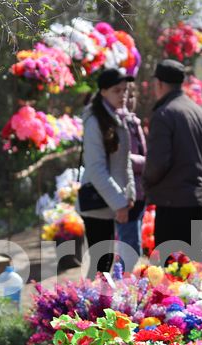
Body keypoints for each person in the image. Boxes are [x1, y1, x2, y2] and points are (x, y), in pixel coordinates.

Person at [143, 59, 202, 251]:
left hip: (171, 204)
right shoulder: (199, 113)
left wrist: (146, 184)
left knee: (169, 274)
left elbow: (157, 163)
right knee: (194, 272)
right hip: (195, 200)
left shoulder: (164, 114)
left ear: (159, 84)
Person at [77, 67, 135, 275]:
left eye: (125, 90)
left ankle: (98, 303)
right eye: (116, 91)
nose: (123, 95)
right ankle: (91, 304)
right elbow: (95, 169)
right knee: (101, 263)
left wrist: (129, 193)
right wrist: (120, 202)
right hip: (97, 201)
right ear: (103, 92)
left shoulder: (116, 117)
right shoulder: (95, 121)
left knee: (106, 261)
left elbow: (123, 161)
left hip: (110, 200)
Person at [116, 83, 147, 258]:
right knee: (130, 250)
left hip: (140, 193)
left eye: (132, 95)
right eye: (126, 94)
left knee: (132, 248)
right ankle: (119, 283)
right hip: (127, 194)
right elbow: (121, 159)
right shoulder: (119, 123)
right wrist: (147, 163)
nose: (130, 99)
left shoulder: (134, 121)